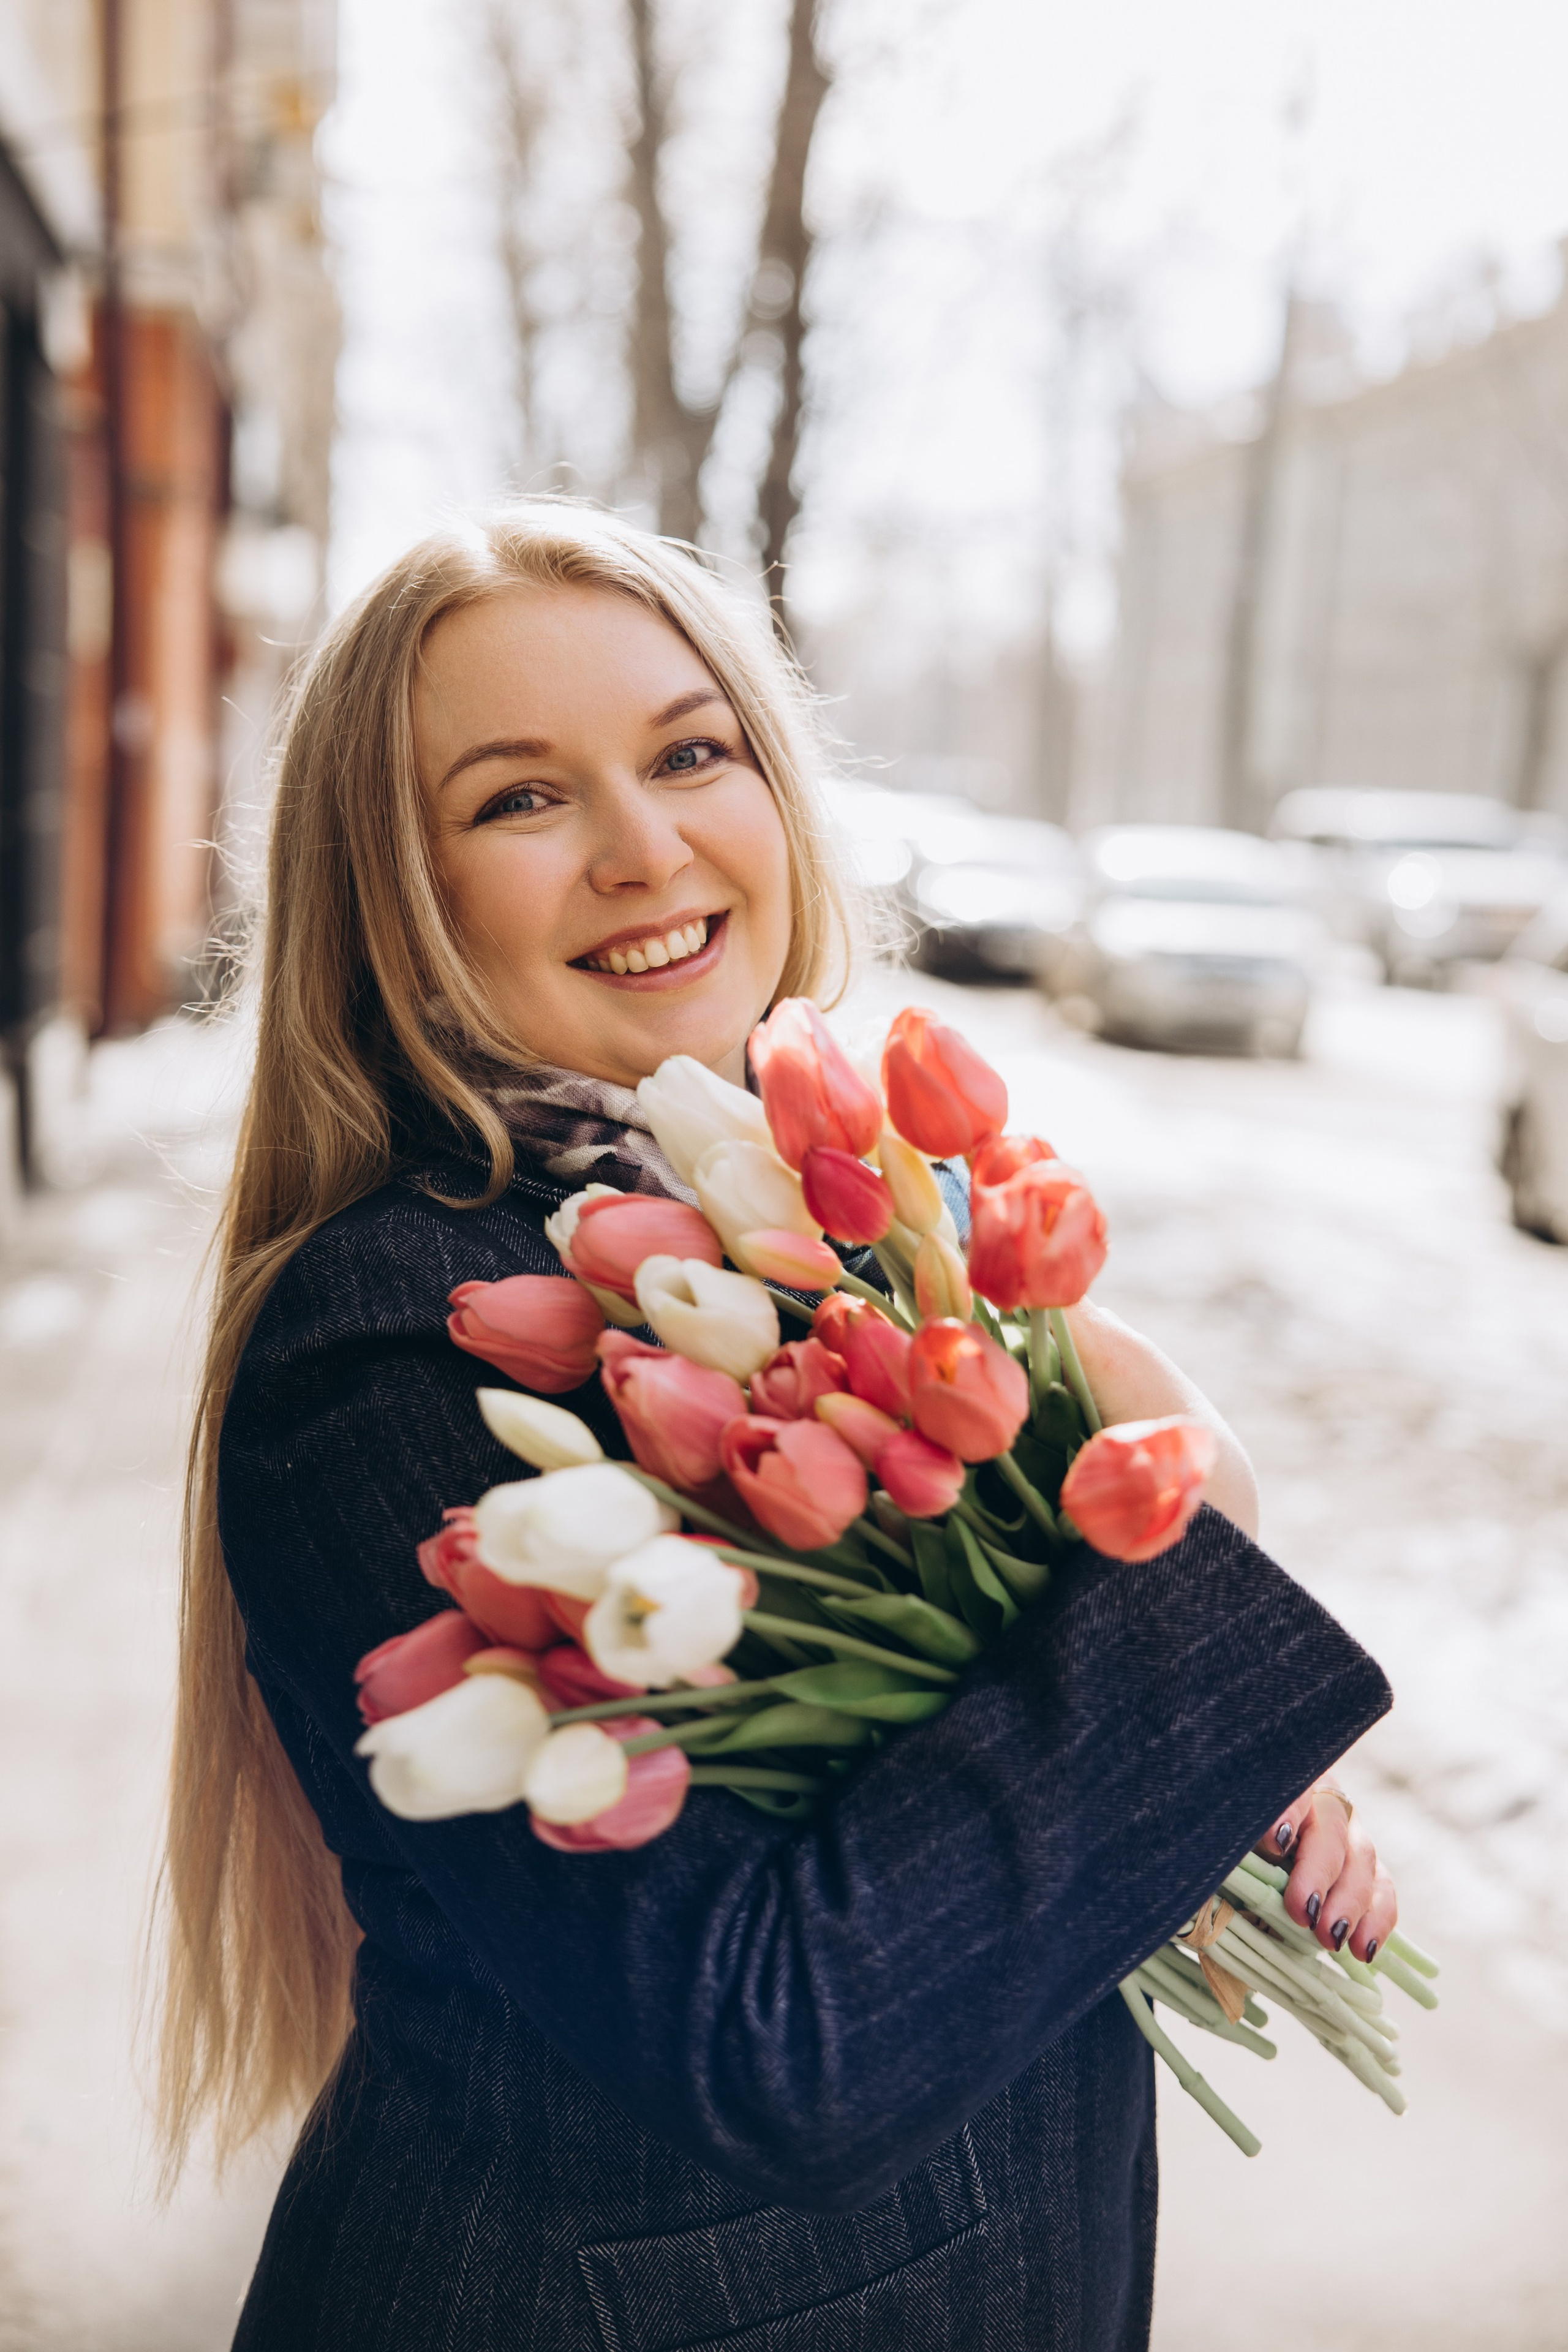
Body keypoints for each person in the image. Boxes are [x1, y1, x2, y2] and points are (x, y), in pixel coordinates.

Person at [160, 504, 1397, 2352]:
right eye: (521, 800)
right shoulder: (396, 1350)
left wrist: (1203, 1805)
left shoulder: (833, 1222)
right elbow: (776, 2037)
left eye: (689, 750)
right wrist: (1177, 1592)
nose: (646, 847)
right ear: (397, 906)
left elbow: (948, 1776)